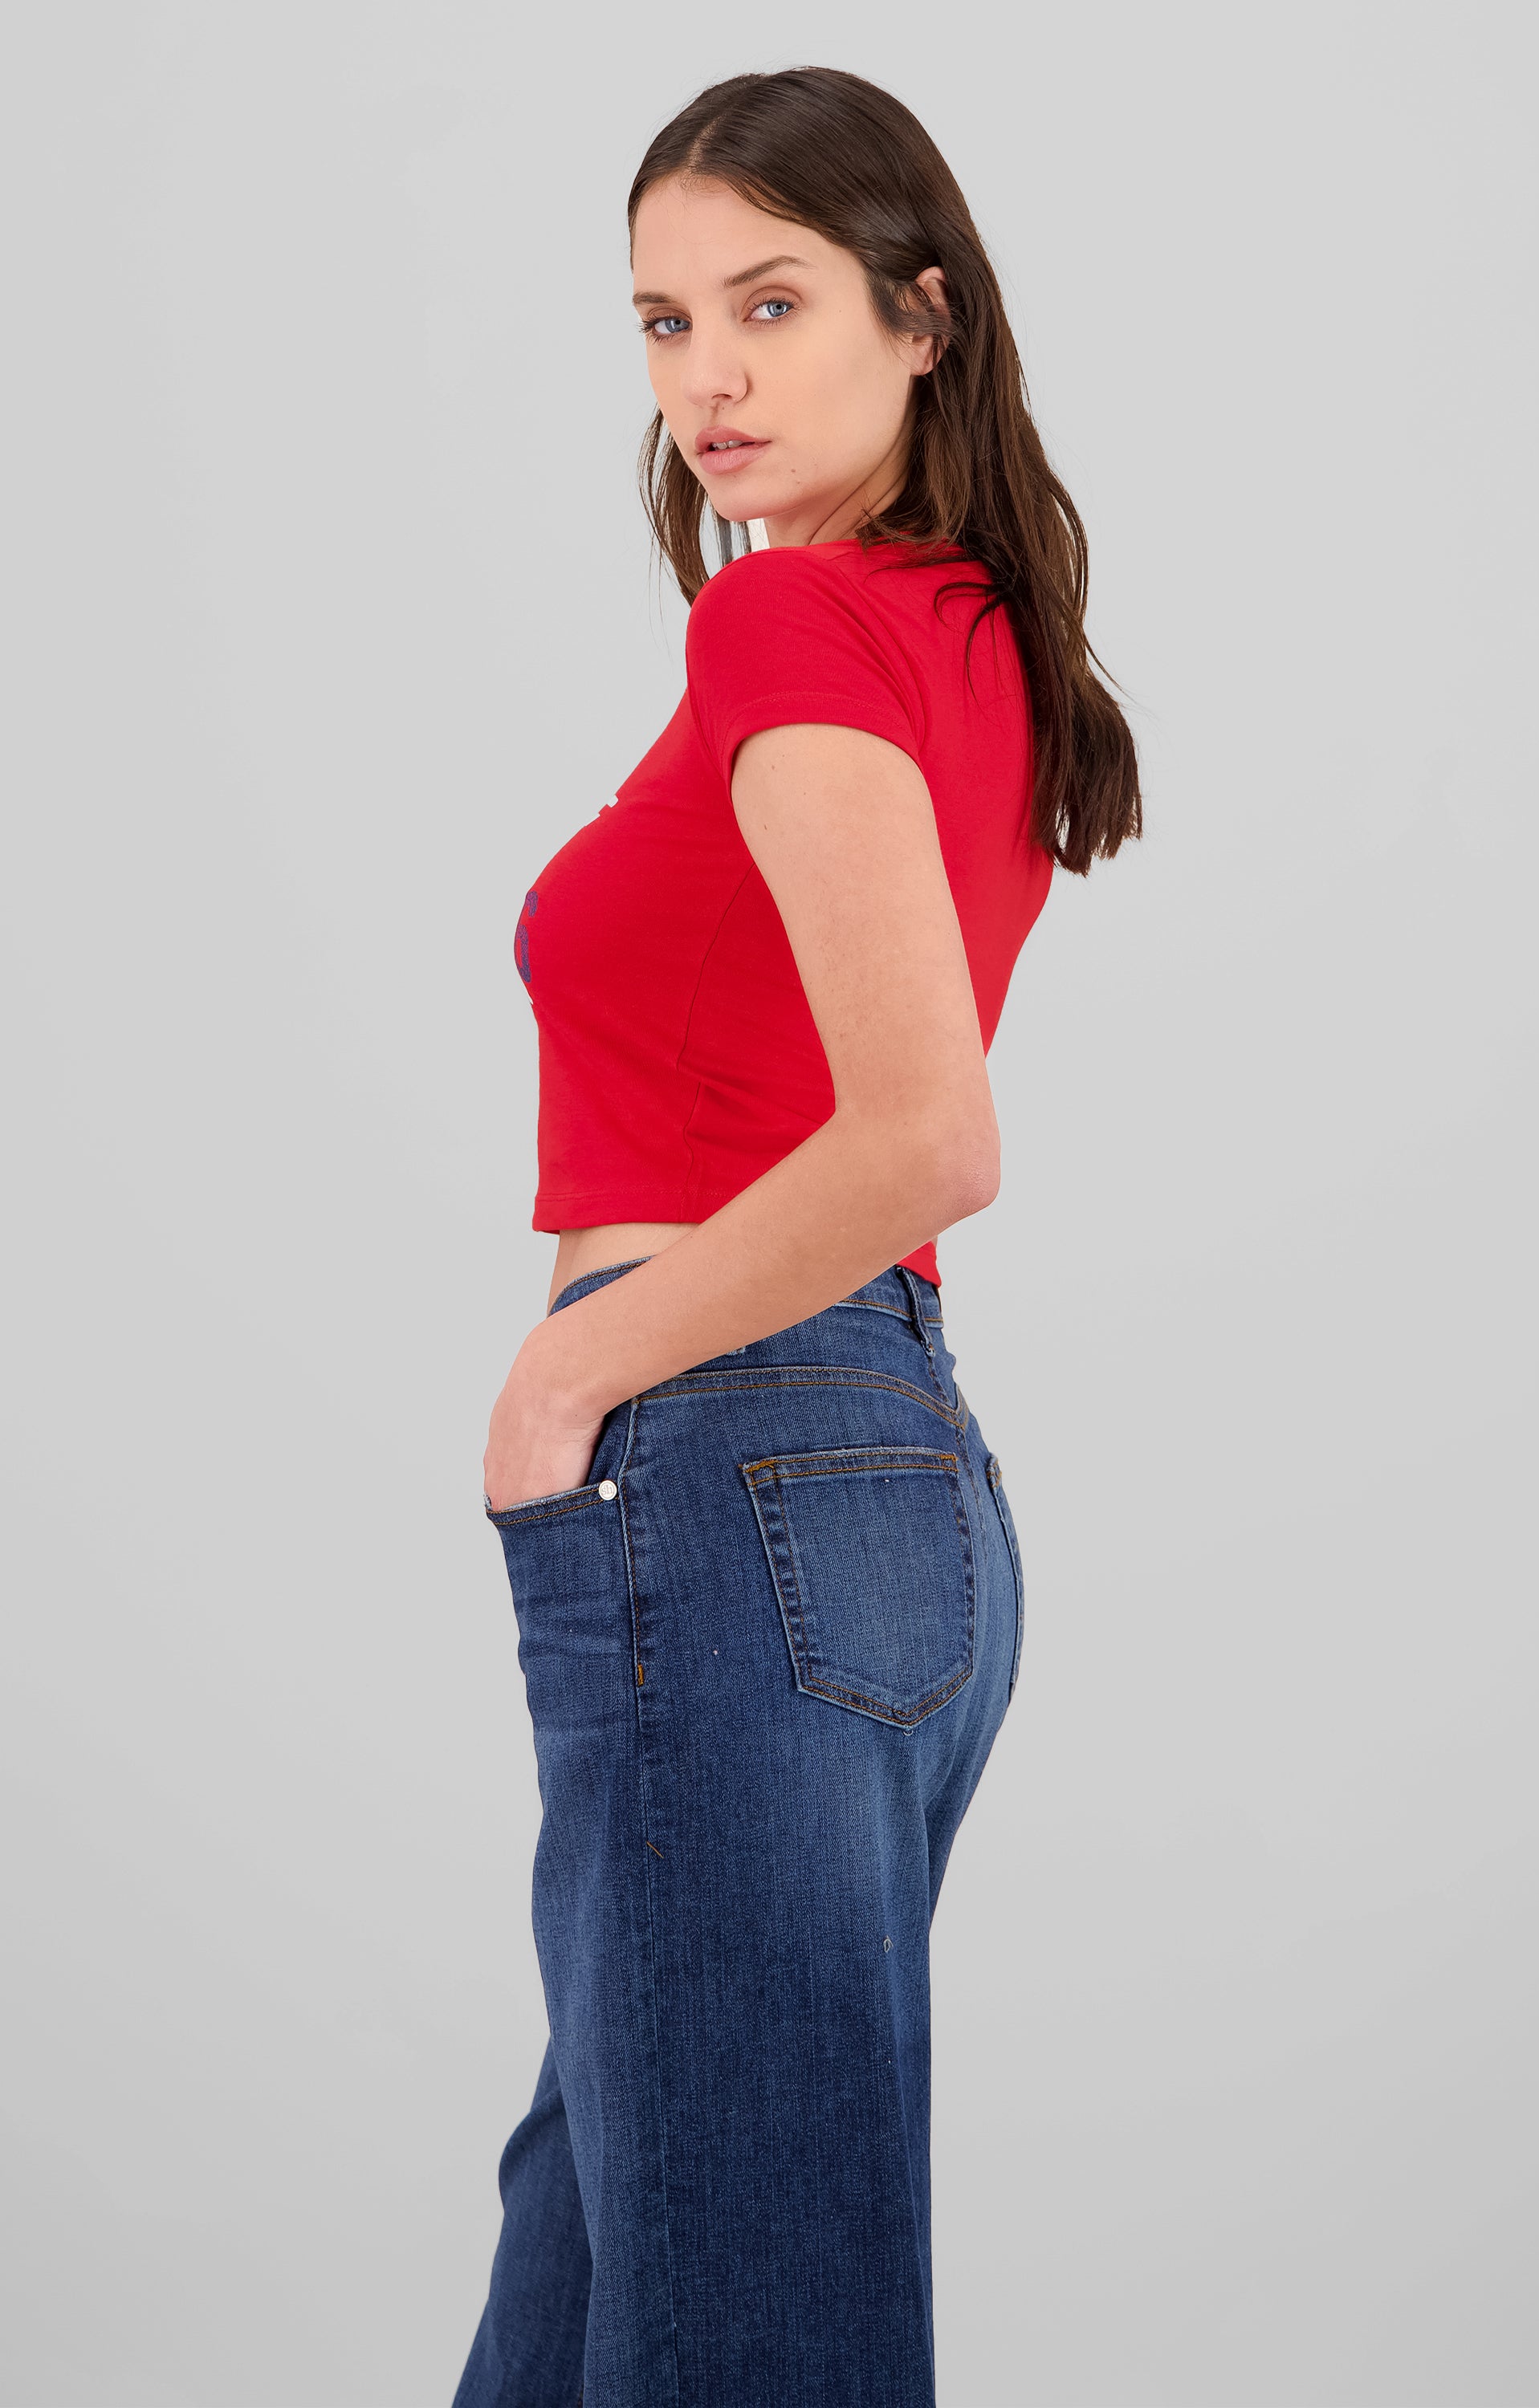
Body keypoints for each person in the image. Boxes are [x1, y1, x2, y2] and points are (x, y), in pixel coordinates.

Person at [454, 65, 1140, 2408]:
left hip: (732, 1463)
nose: (709, 378)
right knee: (608, 2281)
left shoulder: (793, 628)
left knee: (739, 2318)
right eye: (664, 323)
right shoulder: (975, 634)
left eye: (771, 304)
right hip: (882, 1507)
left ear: (922, 314)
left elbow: (929, 1133)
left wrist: (573, 1366)